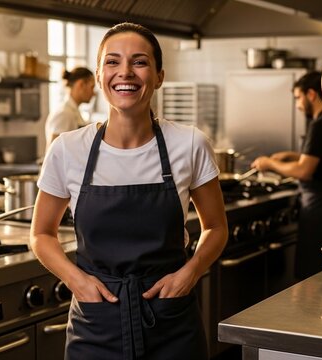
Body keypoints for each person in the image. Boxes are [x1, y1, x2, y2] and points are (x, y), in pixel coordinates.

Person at [30, 22, 227, 359]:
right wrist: (77, 281)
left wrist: (190, 273)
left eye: (139, 62)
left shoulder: (189, 143)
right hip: (96, 323)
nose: (125, 72)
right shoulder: (68, 149)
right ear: (98, 75)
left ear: (159, 76)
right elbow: (41, 235)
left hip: (170, 319)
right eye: (112, 62)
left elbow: (216, 227)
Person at [250, 71, 322, 280]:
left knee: (313, 274)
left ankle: (315, 313)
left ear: (311, 94)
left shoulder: (320, 125)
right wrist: (292, 156)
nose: (297, 105)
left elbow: (304, 171)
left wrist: (268, 163)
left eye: (298, 98)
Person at [45, 67, 96, 151]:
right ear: (81, 85)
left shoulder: (73, 111)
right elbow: (54, 153)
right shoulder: (64, 113)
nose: (94, 94)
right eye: (92, 87)